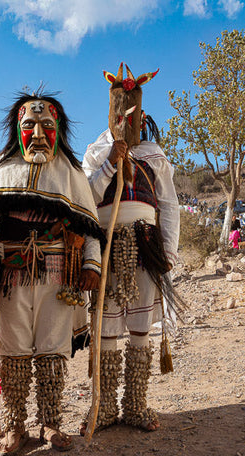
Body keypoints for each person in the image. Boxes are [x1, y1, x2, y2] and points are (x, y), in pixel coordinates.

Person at [0, 91, 103, 456]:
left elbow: (89, 225)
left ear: (58, 130)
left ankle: (49, 421)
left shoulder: (72, 173)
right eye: (28, 125)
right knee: (13, 349)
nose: (37, 133)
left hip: (59, 273)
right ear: (16, 129)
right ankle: (14, 425)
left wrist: (91, 265)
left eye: (47, 125)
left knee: (51, 347)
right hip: (11, 273)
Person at [82, 63, 182, 435]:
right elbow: (86, 198)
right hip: (108, 248)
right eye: (119, 115)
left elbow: (168, 205)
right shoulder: (95, 154)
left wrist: (168, 252)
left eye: (132, 115)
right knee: (106, 329)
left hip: (145, 247)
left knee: (140, 329)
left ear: (141, 115)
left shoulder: (155, 157)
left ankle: (135, 405)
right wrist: (110, 163)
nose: (125, 121)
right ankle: (104, 407)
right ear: (110, 114)